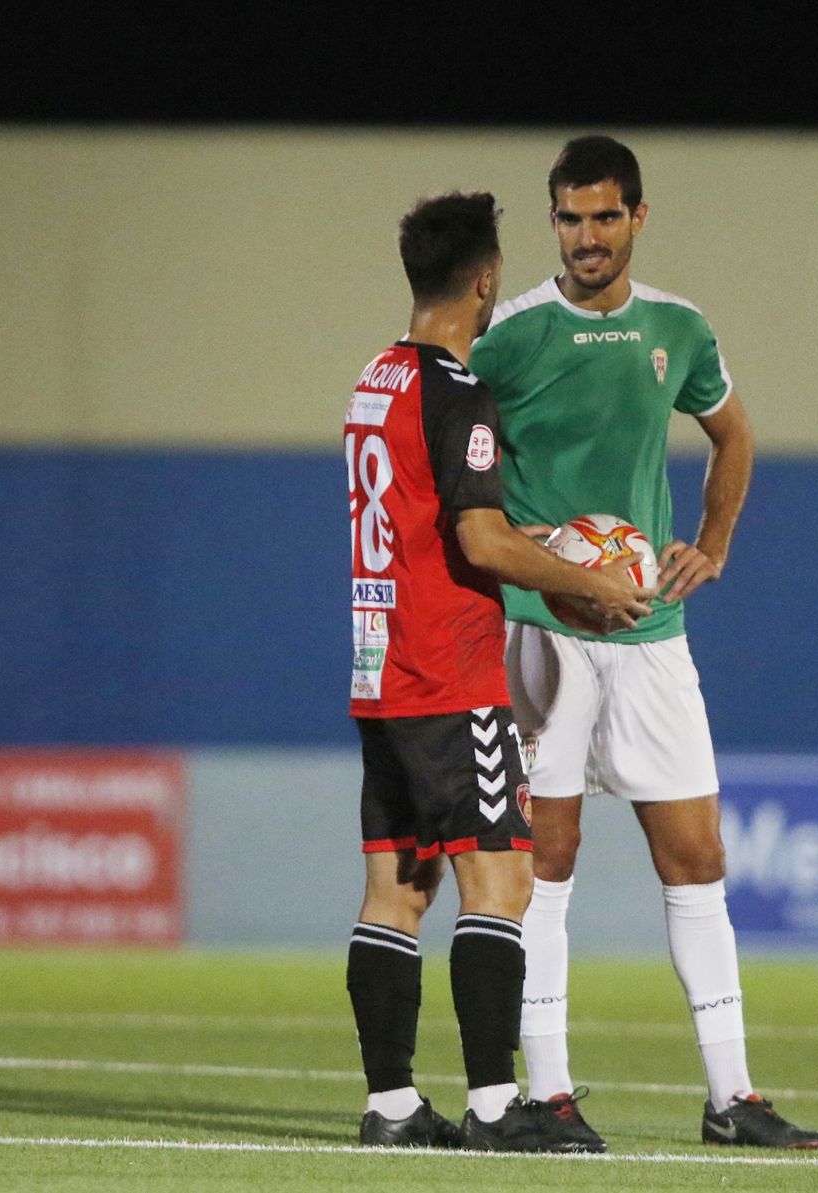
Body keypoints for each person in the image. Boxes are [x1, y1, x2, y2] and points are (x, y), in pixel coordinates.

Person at [468, 135, 818, 1151]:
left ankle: (732, 1097)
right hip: (543, 626)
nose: (585, 236)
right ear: (554, 223)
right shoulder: (509, 335)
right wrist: (509, 535)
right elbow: (446, 457)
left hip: (649, 629)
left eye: (603, 217)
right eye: (569, 218)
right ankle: (550, 1090)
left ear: (636, 217)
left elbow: (734, 434)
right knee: (548, 853)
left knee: (696, 852)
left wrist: (710, 542)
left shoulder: (677, 327)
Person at [343, 189, 654, 1151]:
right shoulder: (455, 388)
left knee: (396, 888)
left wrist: (533, 550)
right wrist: (586, 580)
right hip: (449, 671)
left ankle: (392, 1106)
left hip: (379, 664)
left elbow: (437, 521)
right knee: (501, 879)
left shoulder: (374, 379)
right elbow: (477, 538)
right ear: (484, 282)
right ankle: (491, 1105)